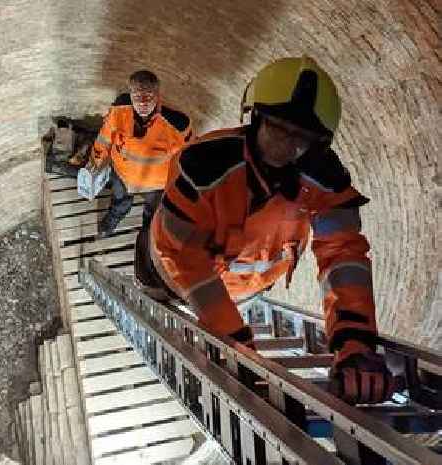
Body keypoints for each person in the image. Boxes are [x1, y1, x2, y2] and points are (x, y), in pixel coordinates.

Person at [136, 56, 395, 405]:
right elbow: (182, 255)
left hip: (241, 292)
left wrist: (355, 341)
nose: (286, 146)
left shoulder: (324, 181)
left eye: (301, 139)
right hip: (165, 272)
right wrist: (230, 334)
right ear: (255, 117)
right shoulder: (205, 165)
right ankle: (151, 210)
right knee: (150, 268)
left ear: (317, 145)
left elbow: (343, 256)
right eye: (277, 128)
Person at [89, 70, 192, 238]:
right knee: (119, 202)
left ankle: (147, 237)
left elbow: (189, 158)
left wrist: (182, 189)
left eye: (149, 96)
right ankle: (113, 219)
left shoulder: (176, 125)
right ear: (130, 95)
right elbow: (104, 138)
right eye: (137, 97)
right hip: (122, 176)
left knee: (153, 215)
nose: (143, 103)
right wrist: (95, 164)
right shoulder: (119, 110)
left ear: (158, 95)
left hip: (155, 186)